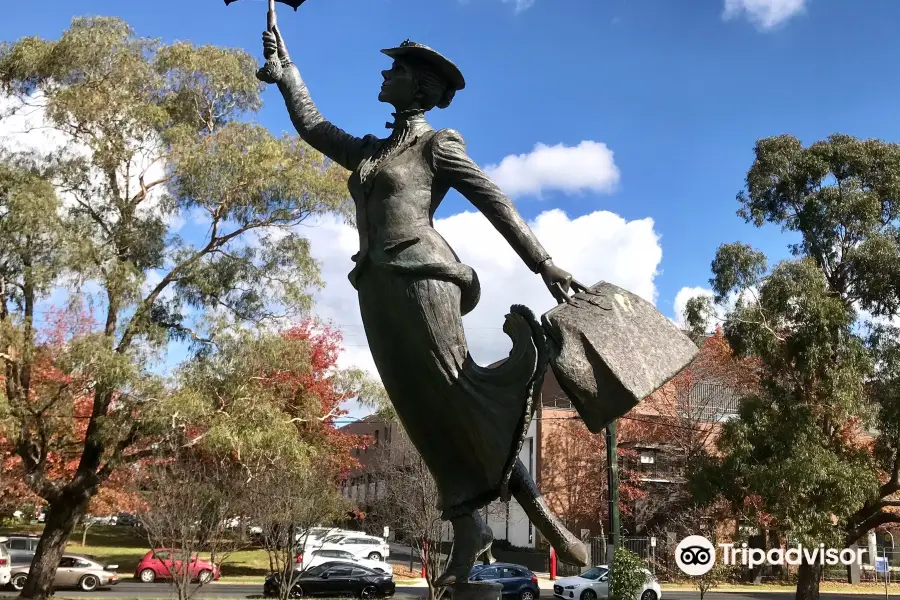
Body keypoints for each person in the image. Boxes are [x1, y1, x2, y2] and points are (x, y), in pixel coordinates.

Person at [259, 25, 589, 584]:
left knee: (456, 392)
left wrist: (543, 262)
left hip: (425, 276)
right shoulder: (370, 151)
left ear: (419, 88)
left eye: (396, 69)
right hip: (379, 288)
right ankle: (470, 525)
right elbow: (313, 127)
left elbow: (494, 200)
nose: (384, 75)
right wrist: (286, 72)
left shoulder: (437, 147)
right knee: (417, 410)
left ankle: (541, 516)